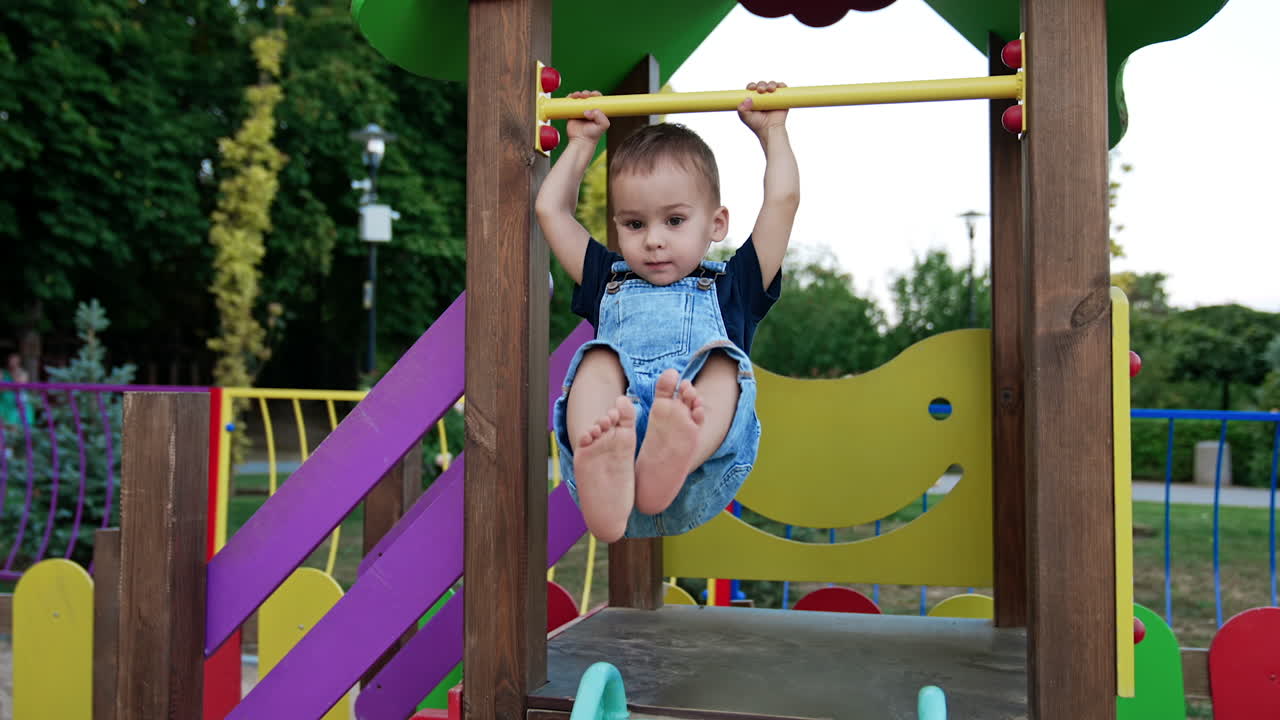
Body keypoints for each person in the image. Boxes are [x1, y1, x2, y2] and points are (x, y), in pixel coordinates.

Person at [536, 81, 799, 542]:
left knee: (723, 364)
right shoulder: (606, 278)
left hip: (698, 473)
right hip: (620, 447)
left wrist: (772, 132)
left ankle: (677, 448)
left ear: (716, 224)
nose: (653, 239)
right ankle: (601, 474)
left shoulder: (733, 287)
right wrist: (580, 144)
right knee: (597, 359)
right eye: (635, 224)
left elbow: (782, 202)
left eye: (674, 221)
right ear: (617, 226)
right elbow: (551, 211)